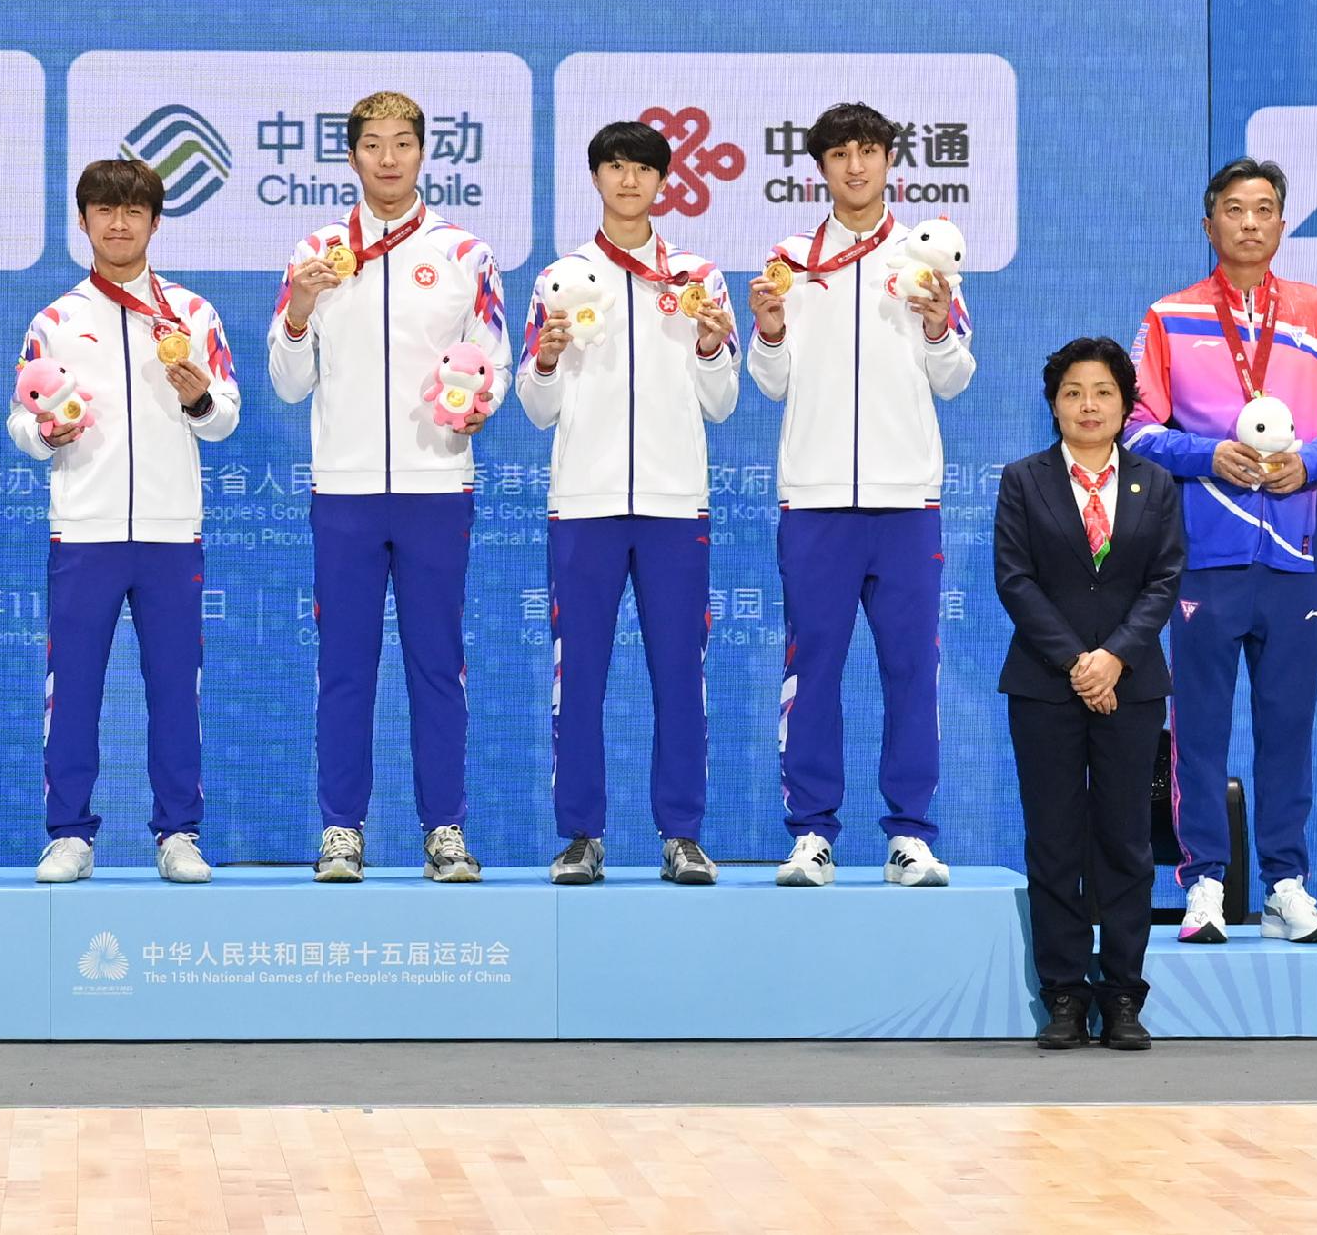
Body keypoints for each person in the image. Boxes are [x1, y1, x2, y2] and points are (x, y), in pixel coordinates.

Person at [269, 88, 510, 883]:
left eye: (402, 143)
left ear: (422, 153)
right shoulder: (314, 254)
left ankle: (445, 829)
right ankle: (342, 829)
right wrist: (301, 305)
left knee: (436, 663)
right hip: (343, 490)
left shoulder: (467, 254)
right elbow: (287, 379)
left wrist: (479, 406)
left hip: (437, 485)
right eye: (372, 144)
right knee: (345, 665)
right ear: (351, 156)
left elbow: (494, 360)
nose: (387, 159)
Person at [1127, 156, 1317, 945]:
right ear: (1210, 225)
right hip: (1204, 556)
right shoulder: (1170, 316)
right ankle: (1201, 883)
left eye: (1265, 208)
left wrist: (1310, 463)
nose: (1251, 222)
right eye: (1235, 209)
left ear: (1281, 221)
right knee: (1197, 726)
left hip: (1292, 557)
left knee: (1287, 726)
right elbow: (1136, 429)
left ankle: (1285, 883)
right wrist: (1207, 455)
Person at [746, 101, 974, 889]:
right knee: (813, 673)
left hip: (905, 500)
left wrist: (941, 322)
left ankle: (910, 833)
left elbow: (955, 376)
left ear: (889, 163)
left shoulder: (923, 258)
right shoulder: (788, 259)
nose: (854, 166)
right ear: (819, 168)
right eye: (839, 154)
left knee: (912, 670)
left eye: (868, 151)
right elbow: (770, 382)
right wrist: (771, 326)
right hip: (813, 501)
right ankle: (812, 834)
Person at [518, 117, 739, 886]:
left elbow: (723, 400)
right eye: (614, 167)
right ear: (596, 178)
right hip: (584, 502)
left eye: (643, 168)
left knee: (681, 673)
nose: (629, 180)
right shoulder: (560, 276)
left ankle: (681, 834)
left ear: (662, 180)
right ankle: (581, 834)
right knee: (577, 674)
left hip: (677, 505)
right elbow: (535, 406)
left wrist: (711, 344)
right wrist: (545, 359)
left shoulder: (700, 279)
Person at [10, 155, 240, 884]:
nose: (118, 222)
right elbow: (21, 419)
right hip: (85, 529)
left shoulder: (193, 315)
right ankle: (69, 834)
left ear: (153, 220)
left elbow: (226, 418)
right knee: (73, 687)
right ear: (82, 222)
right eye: (104, 210)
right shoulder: (55, 321)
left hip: (172, 533)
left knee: (176, 688)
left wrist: (200, 397)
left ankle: (178, 833)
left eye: (132, 210)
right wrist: (47, 433)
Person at [994, 336, 1181, 1051]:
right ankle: (1065, 994)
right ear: (1053, 404)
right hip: (1044, 687)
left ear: (1126, 403)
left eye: (1103, 391)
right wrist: (1079, 662)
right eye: (1073, 391)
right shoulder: (1024, 480)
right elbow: (1016, 580)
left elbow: (1164, 580)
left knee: (1126, 842)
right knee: (1055, 841)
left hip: (1132, 688)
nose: (1088, 405)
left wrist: (1115, 662)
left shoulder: (1155, 485)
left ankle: (1123, 994)